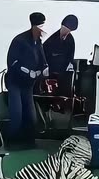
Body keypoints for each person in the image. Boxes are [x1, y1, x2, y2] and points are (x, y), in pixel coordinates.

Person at [5, 12, 49, 147]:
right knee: (17, 114)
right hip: (15, 83)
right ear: (34, 26)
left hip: (28, 85)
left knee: (31, 117)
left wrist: (45, 68)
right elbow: (12, 62)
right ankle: (11, 143)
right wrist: (27, 71)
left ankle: (28, 142)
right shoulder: (19, 41)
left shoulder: (38, 42)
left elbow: (42, 59)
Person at [43, 14, 79, 104]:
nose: (66, 33)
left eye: (69, 31)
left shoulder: (70, 40)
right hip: (49, 72)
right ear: (62, 26)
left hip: (63, 73)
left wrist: (70, 67)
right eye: (66, 30)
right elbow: (42, 55)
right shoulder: (50, 41)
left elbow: (70, 57)